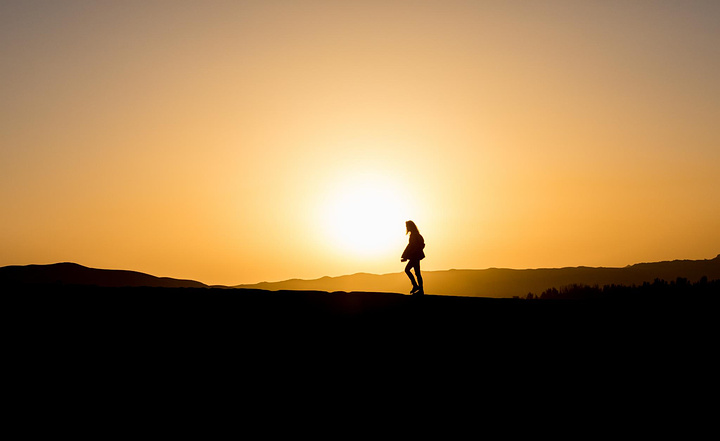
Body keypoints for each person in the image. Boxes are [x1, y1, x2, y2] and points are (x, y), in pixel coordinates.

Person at [401, 220, 425, 295]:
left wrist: (406, 256)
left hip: (415, 257)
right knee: (417, 273)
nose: (406, 228)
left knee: (408, 270)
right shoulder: (415, 234)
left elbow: (412, 246)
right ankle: (420, 289)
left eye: (407, 226)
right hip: (415, 256)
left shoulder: (414, 235)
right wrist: (405, 256)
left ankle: (416, 286)